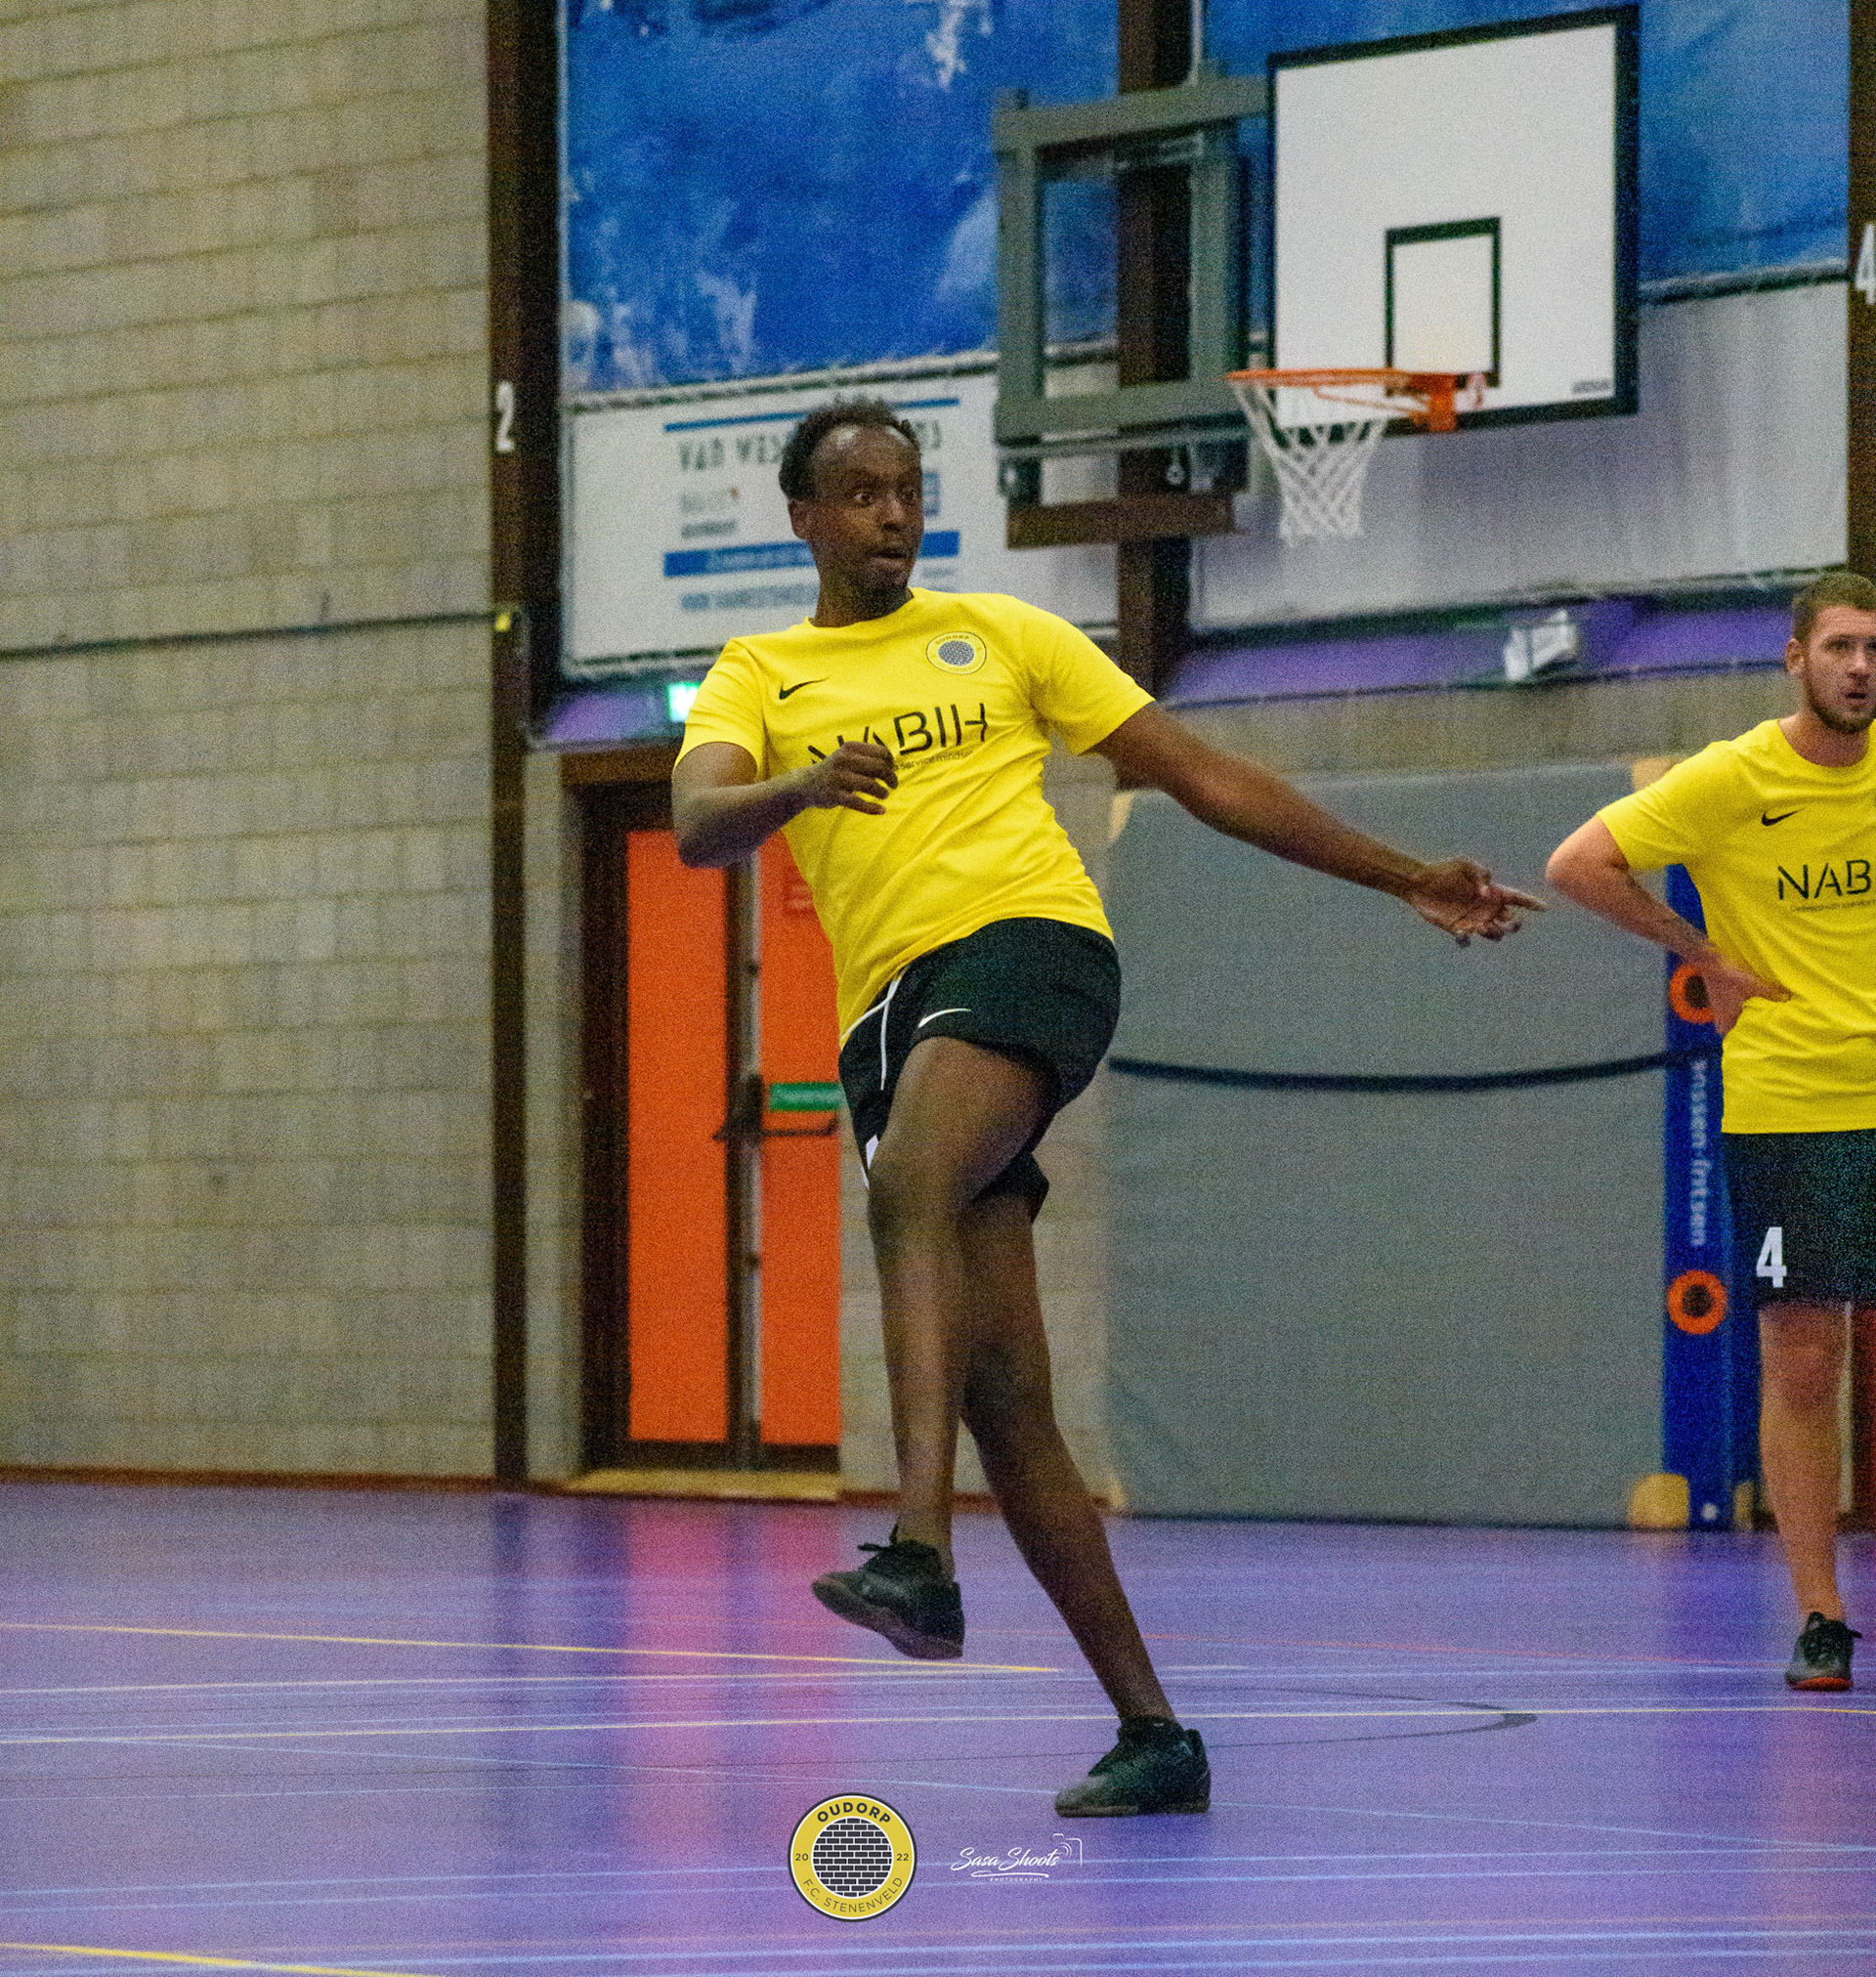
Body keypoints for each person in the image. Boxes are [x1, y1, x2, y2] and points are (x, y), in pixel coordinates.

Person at [671, 396, 1537, 1814]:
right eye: (864, 494)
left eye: (910, 490)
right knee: (1009, 1397)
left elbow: (1202, 775)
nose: (893, 515)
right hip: (888, 1016)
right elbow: (700, 824)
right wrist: (803, 783)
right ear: (805, 517)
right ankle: (1156, 1734)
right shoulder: (757, 672)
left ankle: (916, 1552)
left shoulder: (1006, 634)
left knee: (906, 1187)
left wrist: (1402, 875)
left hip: (1029, 947)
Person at [1548, 570, 1876, 1692]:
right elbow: (1578, 863)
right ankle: (1821, 1614)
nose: (1860, 668)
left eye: (1874, 650)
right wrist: (1704, 957)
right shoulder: (1735, 778)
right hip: (1792, 1104)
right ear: (1796, 658)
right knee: (1806, 1356)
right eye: (1840, 647)